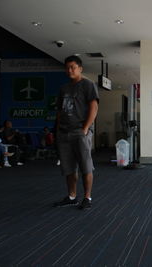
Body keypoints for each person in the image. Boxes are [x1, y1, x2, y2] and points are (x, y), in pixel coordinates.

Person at [53, 55, 99, 210]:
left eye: (73, 67)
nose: (69, 70)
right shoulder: (63, 88)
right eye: (67, 67)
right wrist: (58, 129)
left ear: (80, 68)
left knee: (86, 166)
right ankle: (72, 196)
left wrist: (85, 129)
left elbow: (94, 108)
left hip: (80, 131)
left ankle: (87, 197)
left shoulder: (88, 85)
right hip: (64, 133)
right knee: (68, 167)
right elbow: (59, 111)